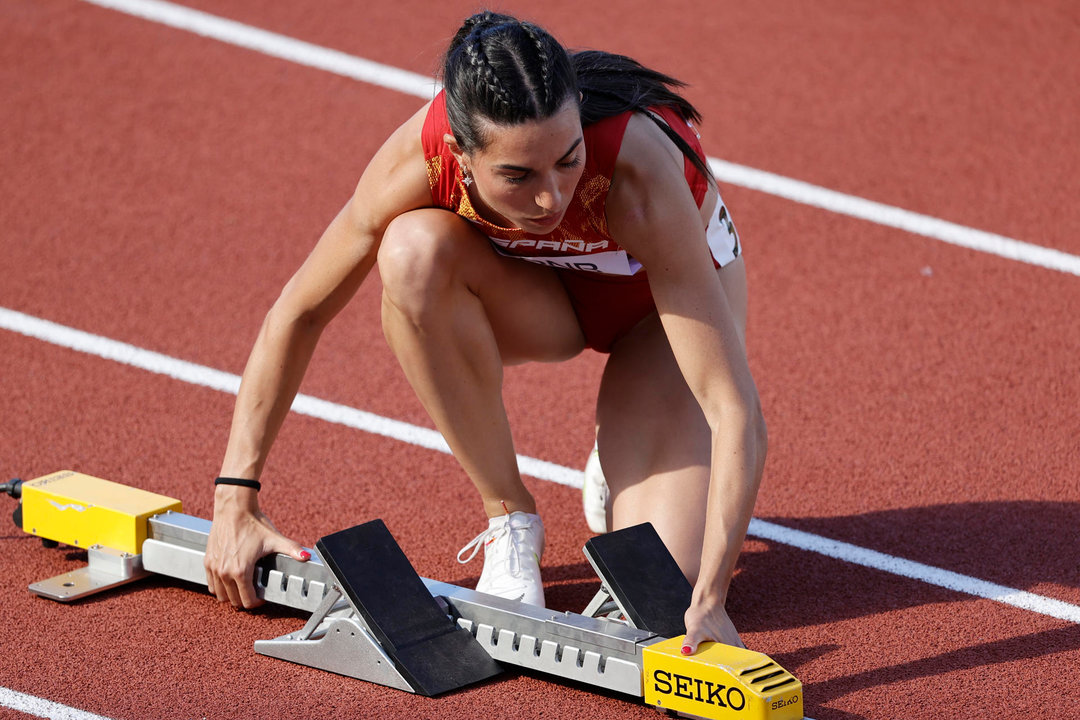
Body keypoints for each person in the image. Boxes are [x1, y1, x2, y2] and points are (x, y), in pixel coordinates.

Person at [203, 11, 766, 654]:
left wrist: (713, 599)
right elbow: (299, 311)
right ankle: (510, 517)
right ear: (462, 158)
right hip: (543, 304)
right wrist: (234, 499)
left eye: (567, 159)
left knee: (662, 590)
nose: (552, 199)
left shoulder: (637, 174)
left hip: (658, 326)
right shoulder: (416, 161)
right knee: (412, 251)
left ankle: (630, 446)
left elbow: (733, 407)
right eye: (518, 177)